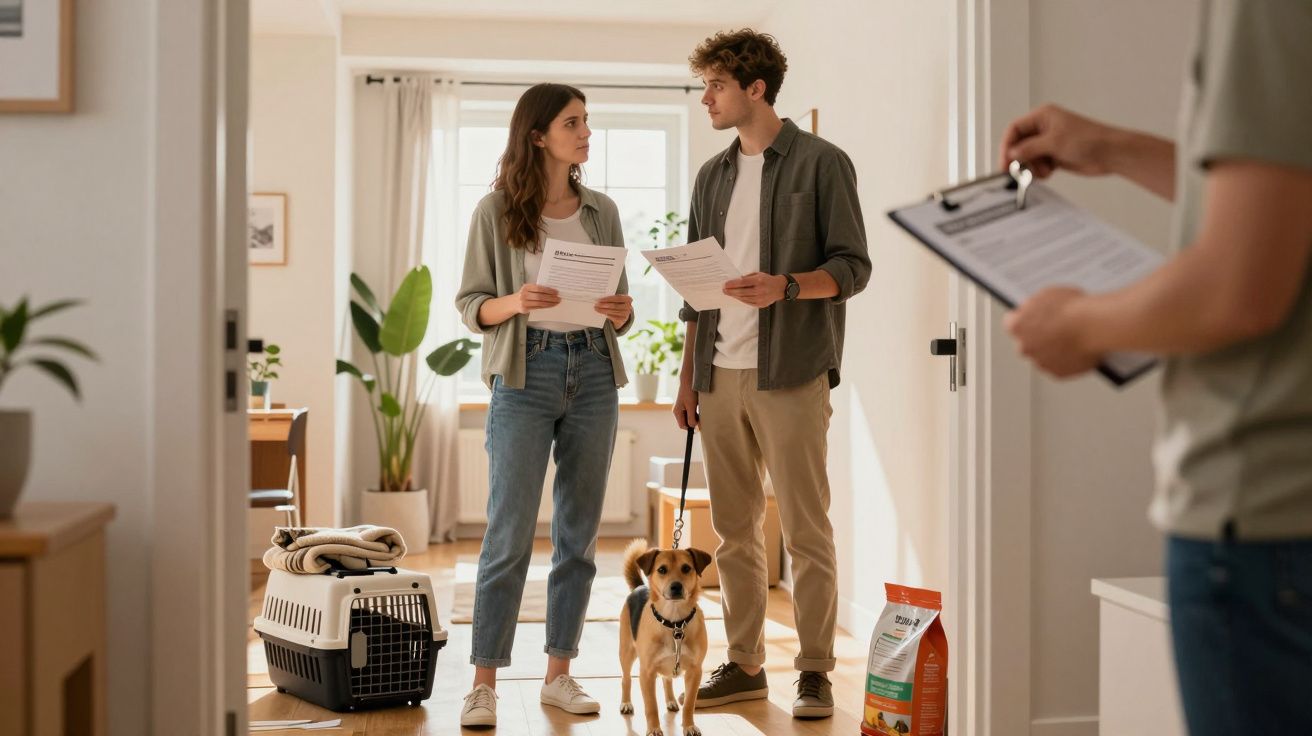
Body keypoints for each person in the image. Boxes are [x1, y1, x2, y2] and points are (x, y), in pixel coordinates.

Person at [1000, 3, 1312, 733]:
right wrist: (1110, 147)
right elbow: (1280, 210)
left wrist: (1080, 325)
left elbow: (1240, 285)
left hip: (1264, 521)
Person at [672, 28, 871, 719]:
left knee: (807, 530)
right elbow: (695, 287)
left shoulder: (823, 164)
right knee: (732, 530)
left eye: (716, 87)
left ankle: (814, 669)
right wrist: (686, 378)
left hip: (792, 372)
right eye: (704, 88)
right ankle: (746, 663)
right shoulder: (712, 176)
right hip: (718, 374)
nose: (707, 100)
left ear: (755, 89)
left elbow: (853, 269)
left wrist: (785, 286)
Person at [453, 82, 635, 728]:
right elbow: (473, 303)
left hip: (592, 369)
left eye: (586, 122)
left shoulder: (602, 211)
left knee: (578, 536)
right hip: (524, 374)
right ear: (538, 135)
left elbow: (624, 306)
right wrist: (518, 303)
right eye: (572, 122)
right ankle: (484, 684)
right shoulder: (496, 210)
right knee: (506, 535)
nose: (585, 133)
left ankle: (559, 674)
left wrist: (622, 310)